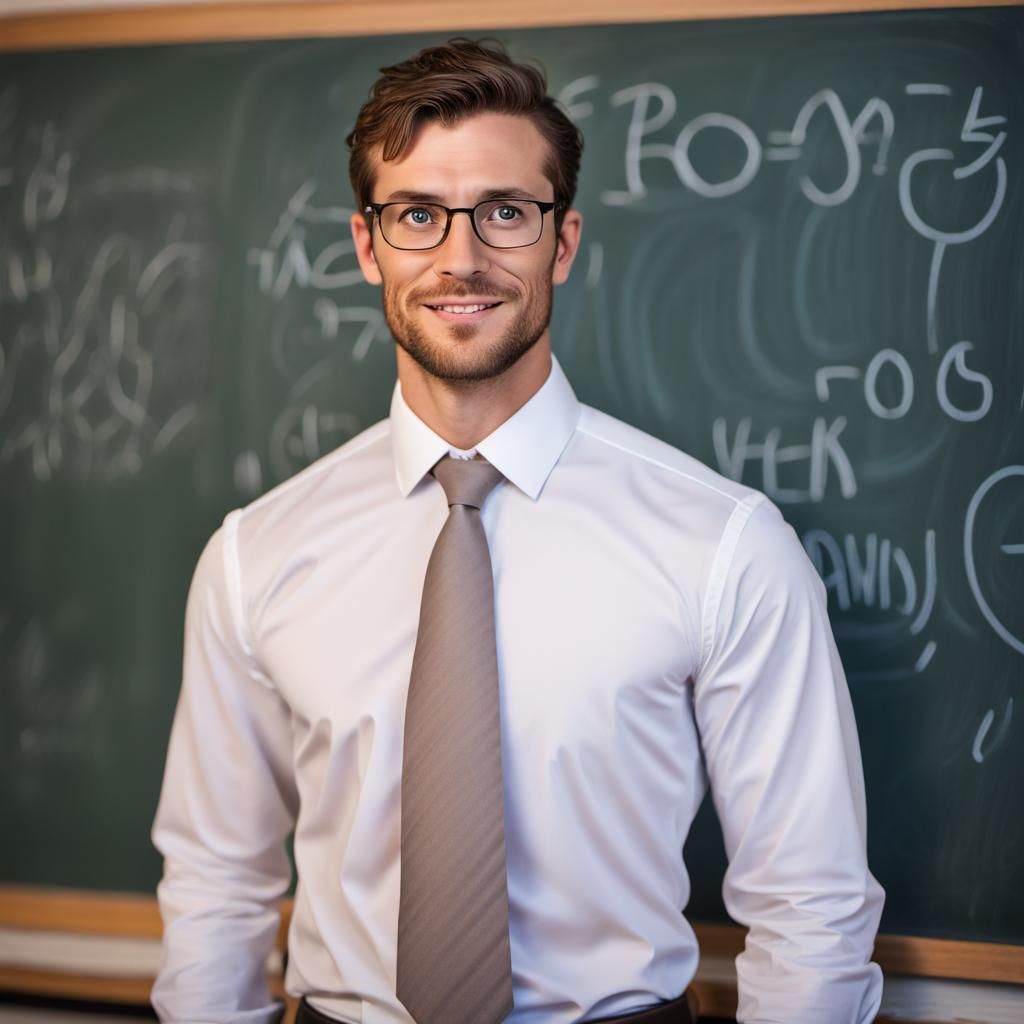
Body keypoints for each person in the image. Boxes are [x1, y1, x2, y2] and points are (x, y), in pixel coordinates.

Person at [152, 38, 884, 1024]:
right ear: (368, 246)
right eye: (417, 214)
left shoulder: (723, 546)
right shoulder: (257, 555)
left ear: (562, 242)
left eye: (504, 212)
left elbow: (811, 906)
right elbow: (215, 879)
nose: (461, 258)